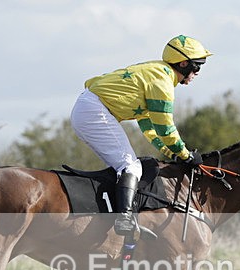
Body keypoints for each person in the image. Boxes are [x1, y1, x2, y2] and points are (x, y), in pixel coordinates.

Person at [70, 35, 212, 235]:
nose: (197, 73)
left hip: (88, 108)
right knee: (130, 166)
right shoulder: (162, 82)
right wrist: (185, 154)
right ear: (183, 63)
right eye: (197, 67)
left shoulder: (158, 72)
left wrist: (168, 152)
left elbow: (148, 126)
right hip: (93, 111)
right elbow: (166, 128)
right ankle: (124, 220)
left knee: (127, 166)